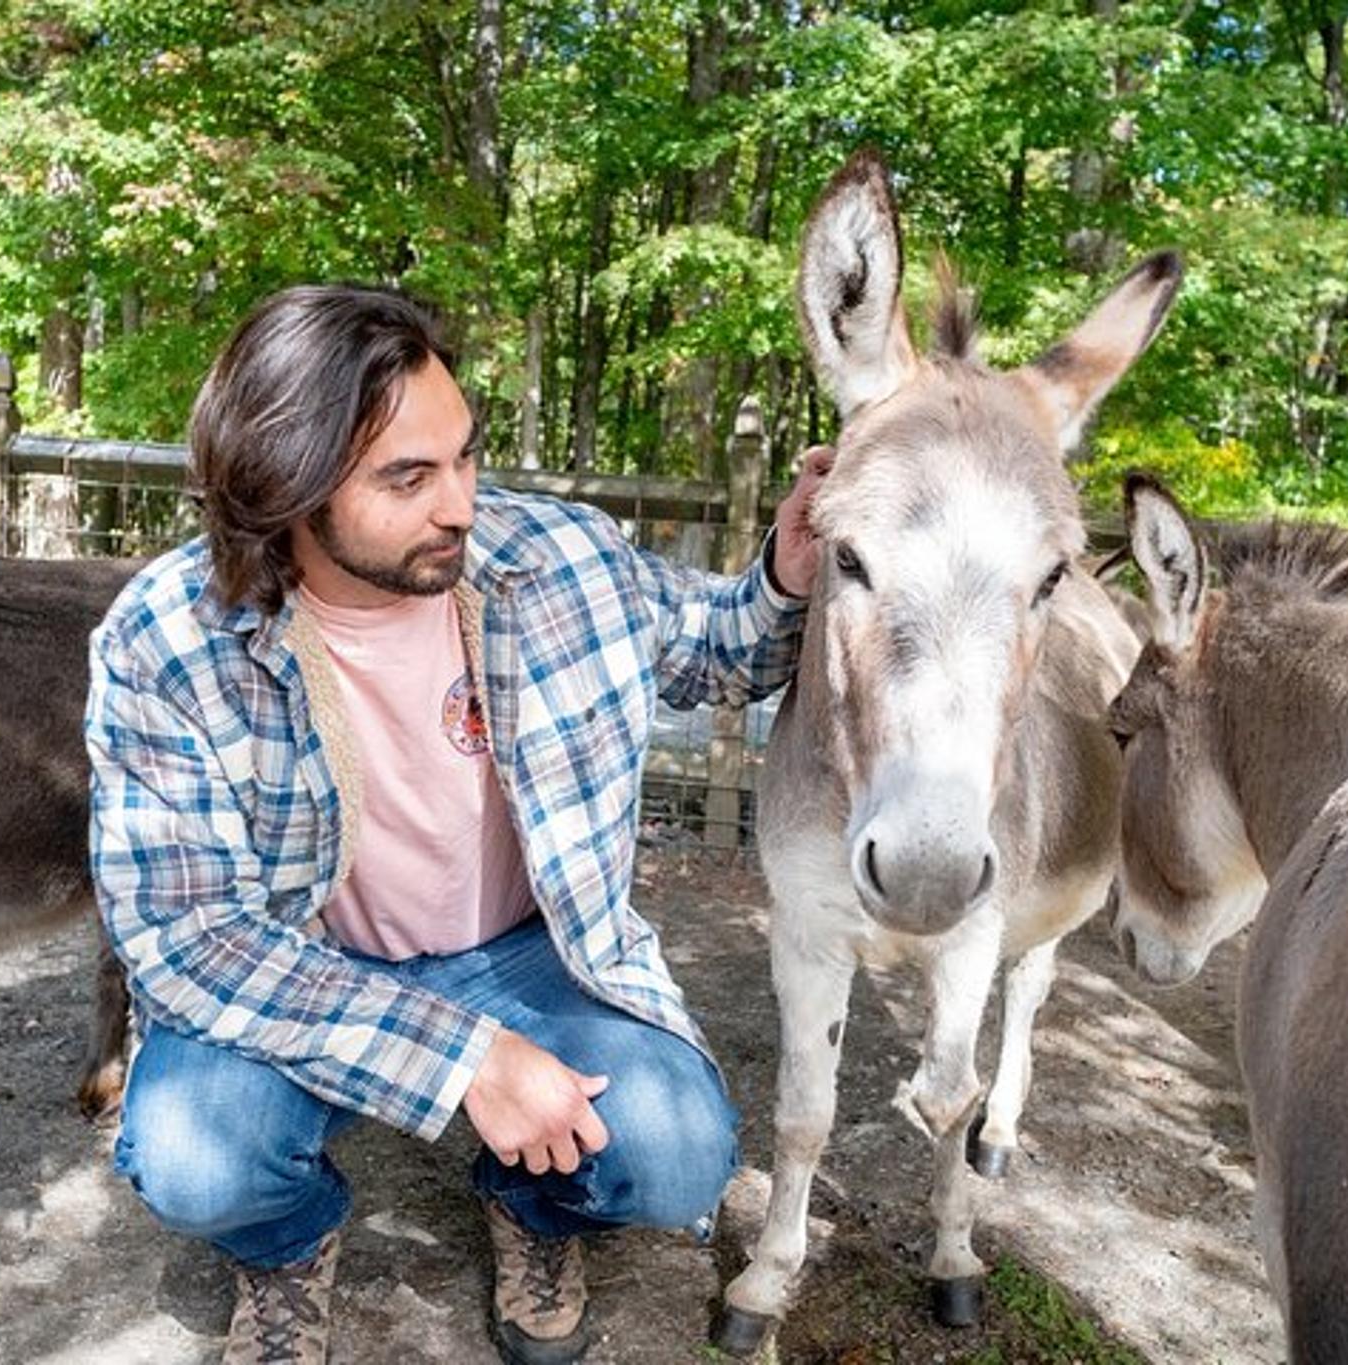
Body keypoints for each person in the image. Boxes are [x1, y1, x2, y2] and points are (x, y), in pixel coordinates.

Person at [84, 284, 826, 1365]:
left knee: (677, 1155)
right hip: (302, 961)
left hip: (529, 951)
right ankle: (285, 1245)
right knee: (198, 1163)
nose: (461, 506)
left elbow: (715, 650)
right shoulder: (166, 639)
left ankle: (532, 1204)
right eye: (408, 478)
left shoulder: (561, 556)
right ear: (285, 482)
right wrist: (466, 1057)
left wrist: (785, 576)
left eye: (465, 457)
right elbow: (187, 941)